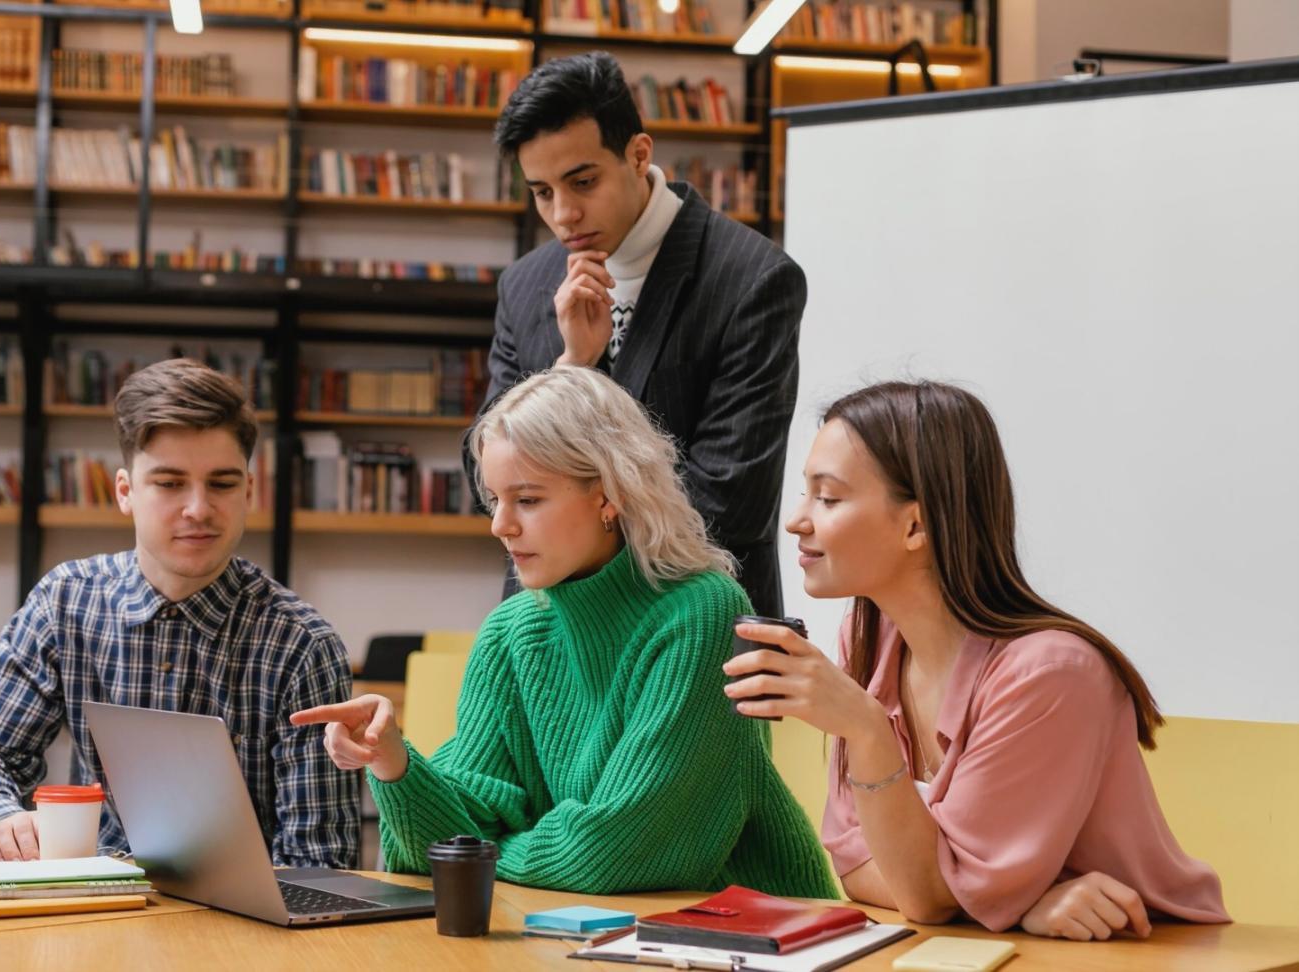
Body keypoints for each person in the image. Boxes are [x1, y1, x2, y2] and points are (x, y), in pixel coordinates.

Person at [294, 367, 836, 897]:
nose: (500, 525)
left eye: (527, 500)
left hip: (742, 938)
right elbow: (436, 853)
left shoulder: (702, 614)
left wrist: (489, 854)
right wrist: (395, 765)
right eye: (495, 500)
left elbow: (620, 852)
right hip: (577, 932)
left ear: (607, 495)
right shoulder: (512, 630)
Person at [724, 380, 1228, 937]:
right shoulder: (868, 642)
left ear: (916, 524)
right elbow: (858, 868)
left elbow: (924, 896)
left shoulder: (1052, 675)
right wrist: (1008, 902)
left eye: (829, 497)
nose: (797, 520)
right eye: (806, 493)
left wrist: (869, 731)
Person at [0, 358, 359, 867]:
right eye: (169, 483)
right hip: (94, 904)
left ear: (249, 491)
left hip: (244, 930)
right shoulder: (65, 602)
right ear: (125, 492)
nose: (199, 509)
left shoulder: (302, 645)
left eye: (222, 484)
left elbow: (321, 865)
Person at [478, 51, 804, 617]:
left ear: (639, 154)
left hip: (694, 632)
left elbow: (730, 501)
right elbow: (480, 471)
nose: (564, 215)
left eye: (583, 182)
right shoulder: (524, 285)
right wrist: (571, 371)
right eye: (542, 192)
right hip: (546, 635)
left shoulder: (752, 279)